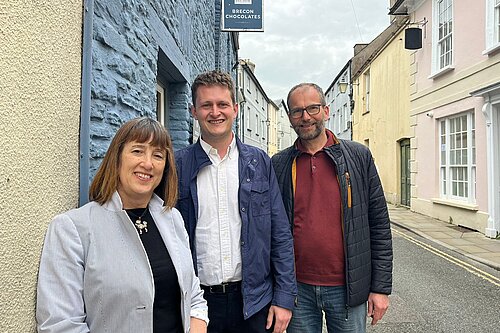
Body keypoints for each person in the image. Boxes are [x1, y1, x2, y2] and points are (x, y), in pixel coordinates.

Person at [36, 117, 208, 333]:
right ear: (116, 158)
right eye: (137, 151)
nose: (148, 163)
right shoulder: (73, 229)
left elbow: (192, 295)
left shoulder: (172, 218)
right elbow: (60, 325)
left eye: (158, 155)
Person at [175, 70, 297, 333]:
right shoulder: (178, 166)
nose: (215, 112)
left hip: (254, 302)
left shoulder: (259, 161)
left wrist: (284, 298)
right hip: (198, 304)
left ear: (236, 109)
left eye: (222, 104)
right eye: (206, 105)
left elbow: (280, 233)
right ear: (193, 111)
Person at [271, 83, 393, 333]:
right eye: (297, 111)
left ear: (326, 111)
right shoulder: (279, 164)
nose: (305, 117)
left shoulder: (358, 156)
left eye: (312, 108)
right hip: (297, 289)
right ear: (290, 118)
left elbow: (379, 224)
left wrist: (380, 288)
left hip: (348, 287)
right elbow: (272, 229)